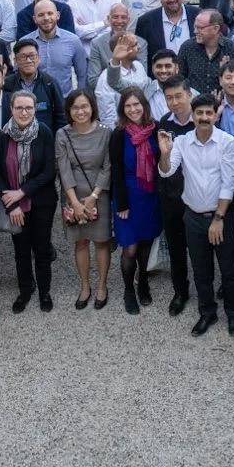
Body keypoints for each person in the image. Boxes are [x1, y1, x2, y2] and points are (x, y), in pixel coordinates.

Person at [158, 93, 234, 337]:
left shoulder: (228, 143)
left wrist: (218, 219)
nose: (204, 117)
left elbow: (229, 184)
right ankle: (207, 313)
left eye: (209, 113)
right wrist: (165, 153)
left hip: (221, 217)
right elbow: (166, 172)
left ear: (216, 115)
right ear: (193, 116)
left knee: (228, 269)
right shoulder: (182, 142)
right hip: (193, 217)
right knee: (201, 270)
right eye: (200, 113)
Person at [0, 91, 58, 313]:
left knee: (42, 248)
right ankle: (26, 289)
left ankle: (44, 291)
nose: (24, 112)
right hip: (14, 205)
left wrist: (22, 192)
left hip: (42, 201)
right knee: (21, 249)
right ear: (11, 109)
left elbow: (49, 171)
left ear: (35, 109)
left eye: (29, 108)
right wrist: (12, 205)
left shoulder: (44, 132)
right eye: (19, 108)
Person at [54, 89, 113, 310]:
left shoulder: (105, 133)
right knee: (81, 242)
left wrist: (94, 197)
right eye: (75, 107)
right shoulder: (62, 134)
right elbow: (63, 169)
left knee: (101, 241)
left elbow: (108, 166)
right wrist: (75, 202)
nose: (80, 111)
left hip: (100, 192)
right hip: (72, 194)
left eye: (84, 106)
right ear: (69, 110)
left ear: (92, 108)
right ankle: (85, 286)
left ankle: (102, 285)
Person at [107, 89, 163, 314]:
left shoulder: (156, 129)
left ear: (144, 105)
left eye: (136, 104)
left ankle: (144, 282)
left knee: (146, 244)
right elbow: (116, 171)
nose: (133, 109)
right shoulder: (119, 134)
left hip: (150, 195)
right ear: (123, 109)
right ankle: (129, 289)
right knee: (130, 248)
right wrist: (121, 204)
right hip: (128, 196)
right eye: (128, 106)